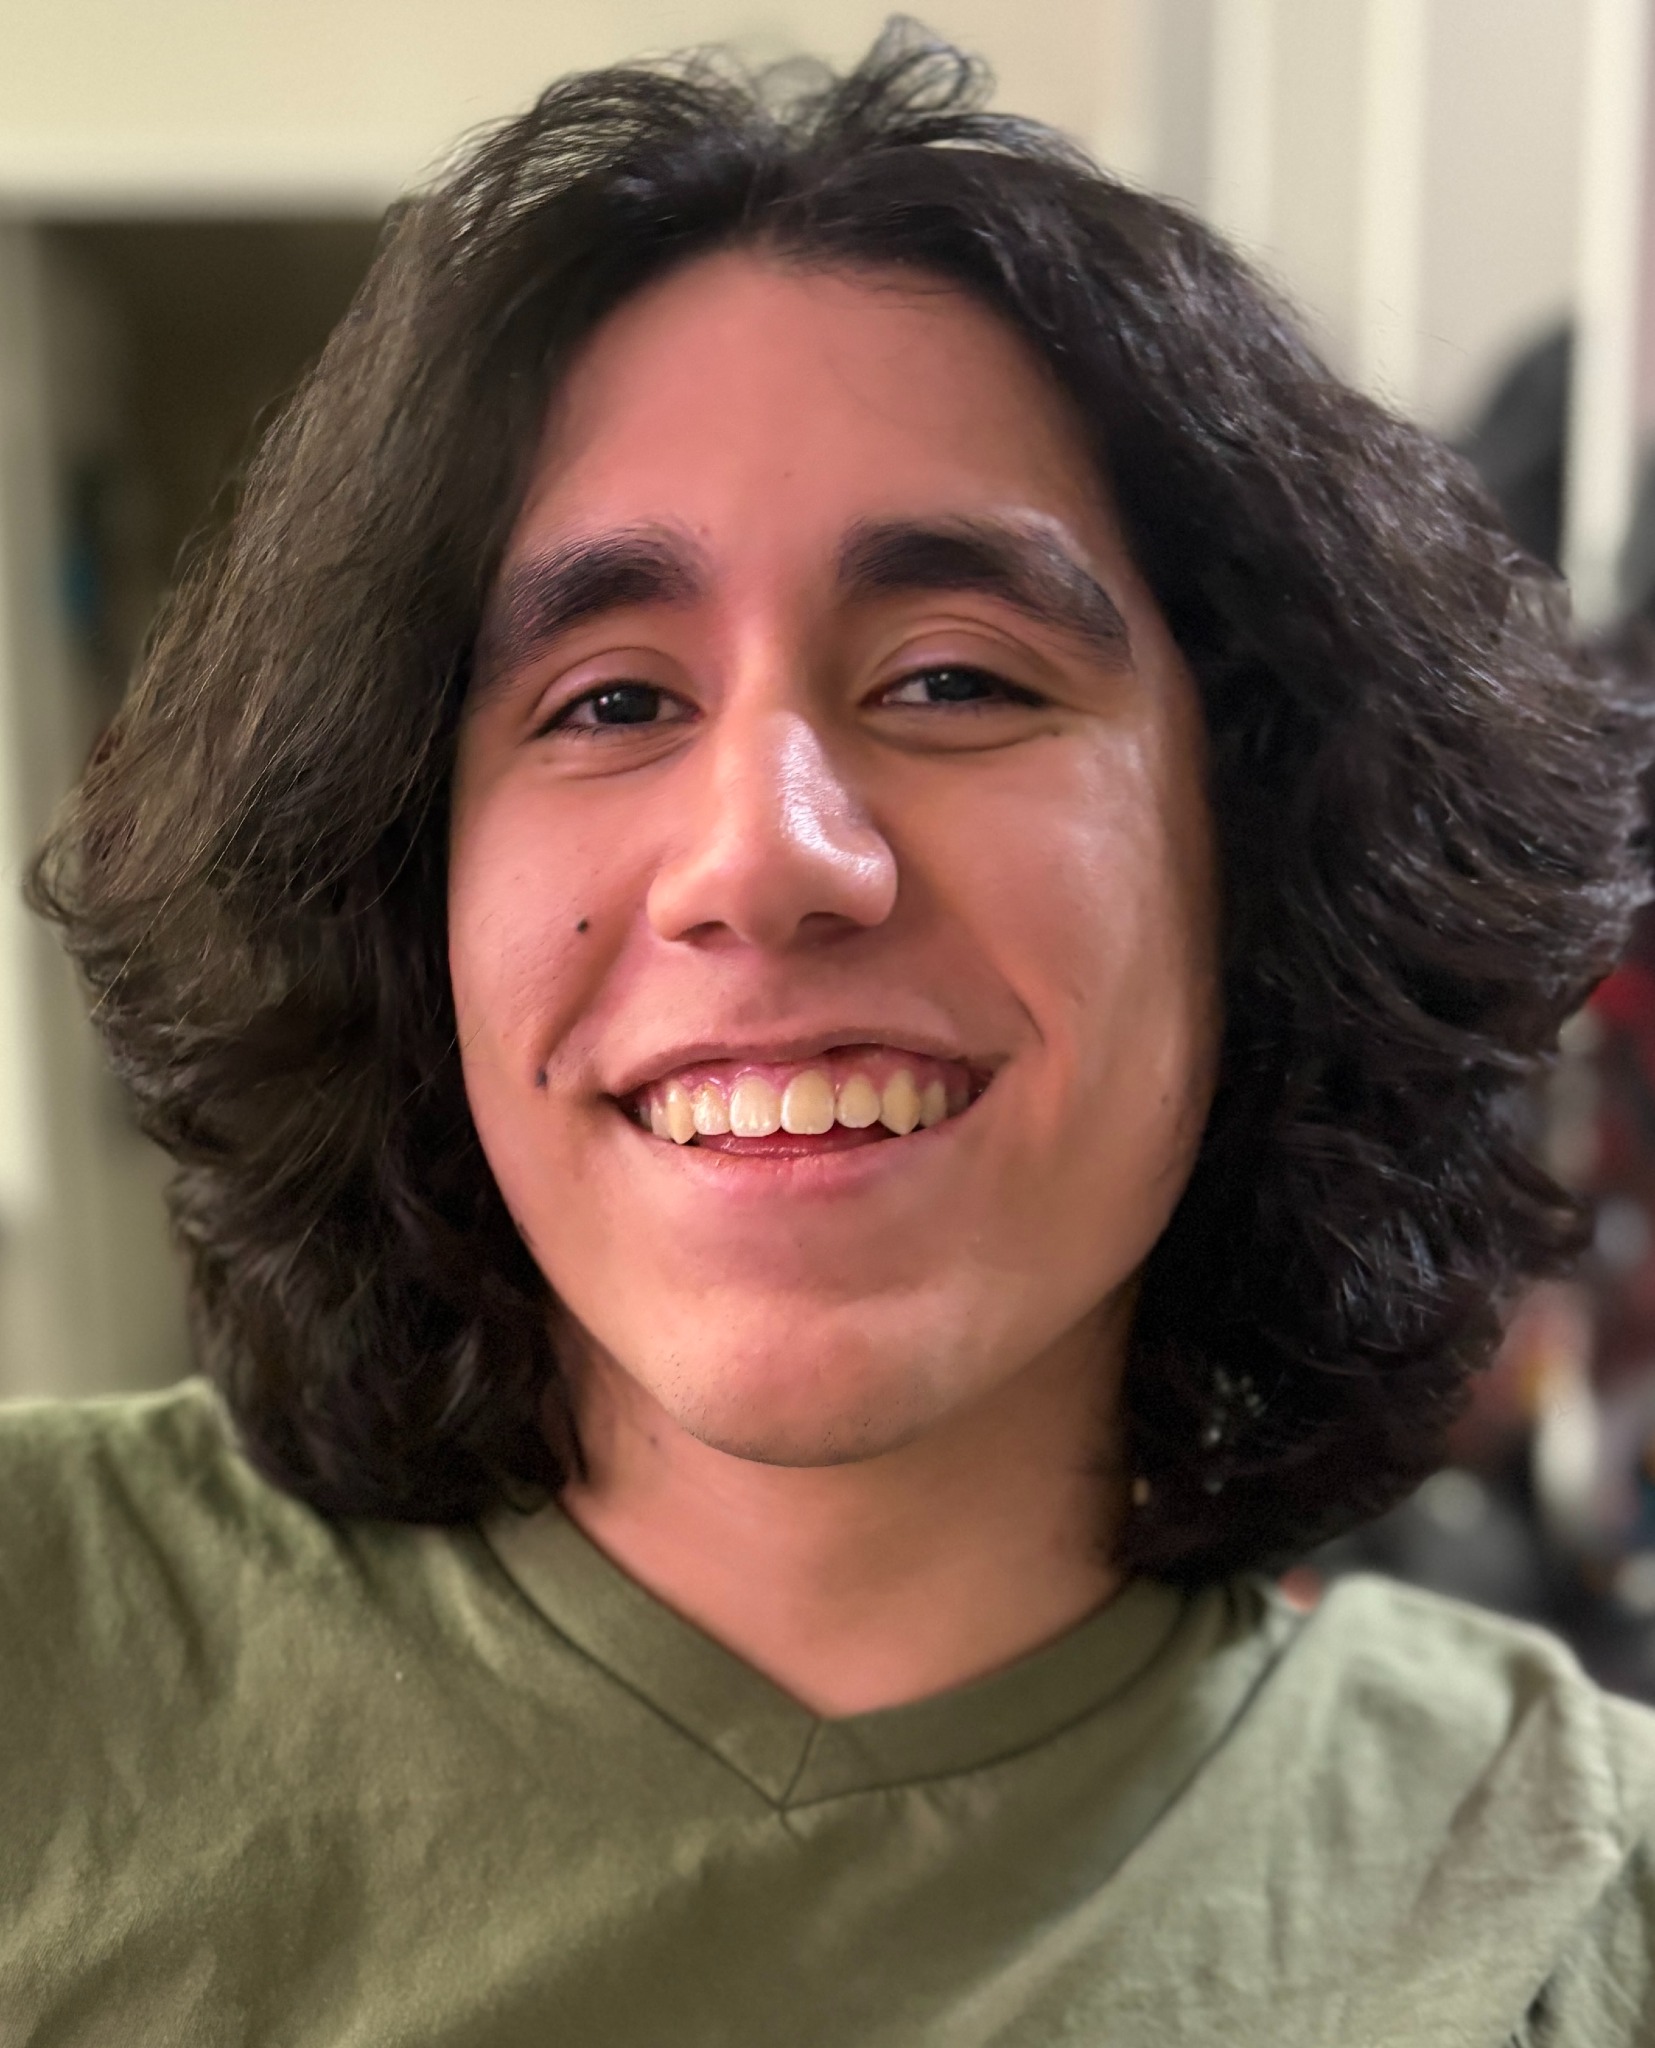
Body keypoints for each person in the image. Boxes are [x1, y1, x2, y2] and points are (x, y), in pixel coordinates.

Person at [4, 25, 1653, 2044]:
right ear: (398, 881)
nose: (767, 856)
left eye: (956, 679)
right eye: (611, 701)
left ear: (1265, 848)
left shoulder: (1578, 1899)